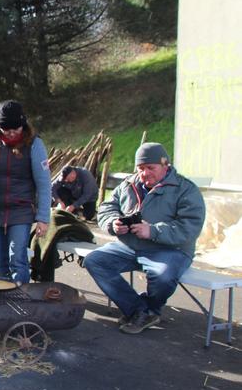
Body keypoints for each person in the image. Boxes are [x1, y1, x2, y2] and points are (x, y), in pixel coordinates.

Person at [84, 142, 205, 334]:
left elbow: (190, 226)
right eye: (140, 168)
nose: (145, 173)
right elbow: (107, 207)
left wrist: (154, 231)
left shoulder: (185, 189)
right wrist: (112, 222)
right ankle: (140, 310)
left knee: (163, 276)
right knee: (95, 261)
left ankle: (148, 309)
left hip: (171, 249)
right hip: (131, 245)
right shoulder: (128, 184)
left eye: (151, 168)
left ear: (166, 165)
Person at [0, 100, 51, 283]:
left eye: (16, 129)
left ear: (23, 125)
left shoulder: (35, 144)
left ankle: (22, 298)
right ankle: (5, 296)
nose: (12, 133)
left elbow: (44, 184)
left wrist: (43, 218)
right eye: (7, 129)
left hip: (21, 211)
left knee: (18, 259)